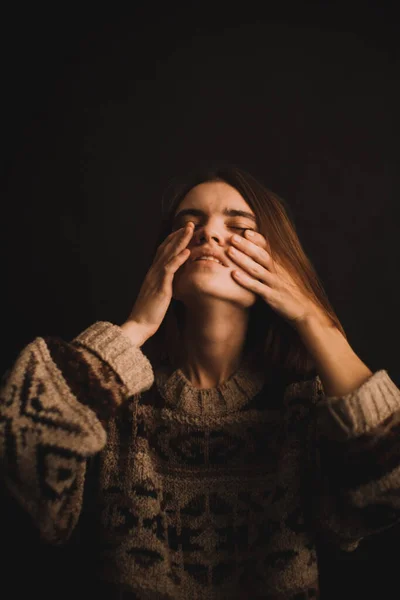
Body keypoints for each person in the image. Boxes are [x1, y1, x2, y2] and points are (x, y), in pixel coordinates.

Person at [1, 163, 400, 599]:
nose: (207, 234)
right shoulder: (111, 399)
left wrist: (311, 318)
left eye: (238, 226)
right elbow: (17, 455)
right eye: (187, 223)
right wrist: (133, 328)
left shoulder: (304, 405)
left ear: (277, 260)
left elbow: (389, 490)